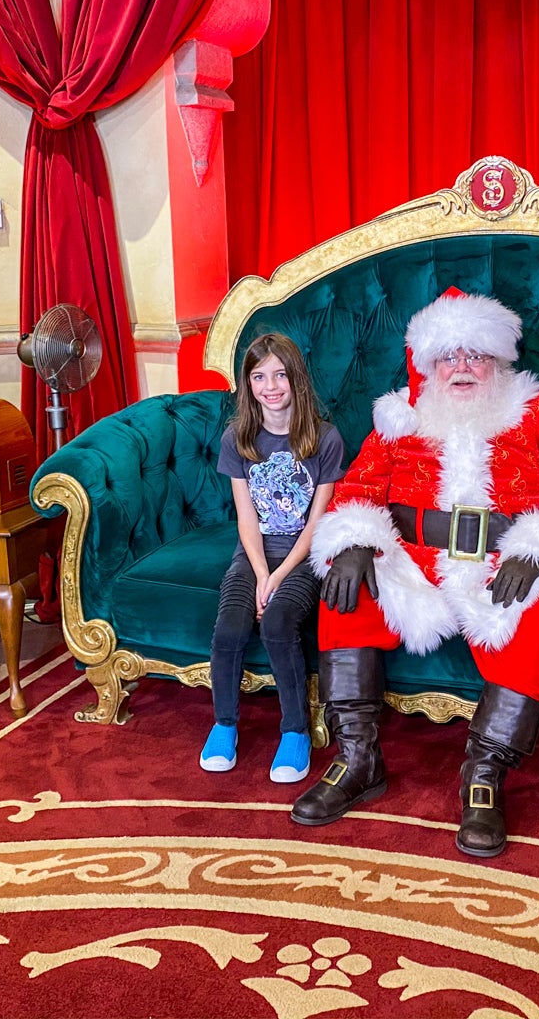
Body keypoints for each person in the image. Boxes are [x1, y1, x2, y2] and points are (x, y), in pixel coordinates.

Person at [293, 288, 539, 857]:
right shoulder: (397, 418)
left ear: (500, 359)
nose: (462, 368)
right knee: (347, 587)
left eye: (475, 354)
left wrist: (537, 551)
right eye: (448, 357)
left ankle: (483, 776)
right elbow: (358, 487)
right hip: (412, 557)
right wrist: (357, 539)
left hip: (501, 560)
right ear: (428, 365)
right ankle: (358, 759)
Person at [205, 332, 344, 784]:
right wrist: (261, 573)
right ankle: (224, 724)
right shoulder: (238, 438)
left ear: (296, 379)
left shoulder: (324, 438)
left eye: (280, 374)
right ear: (248, 384)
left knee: (280, 624)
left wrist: (281, 576)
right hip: (254, 554)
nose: (271, 386)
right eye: (259, 376)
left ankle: (295, 731)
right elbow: (246, 520)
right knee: (229, 627)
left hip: (304, 557)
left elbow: (317, 524)